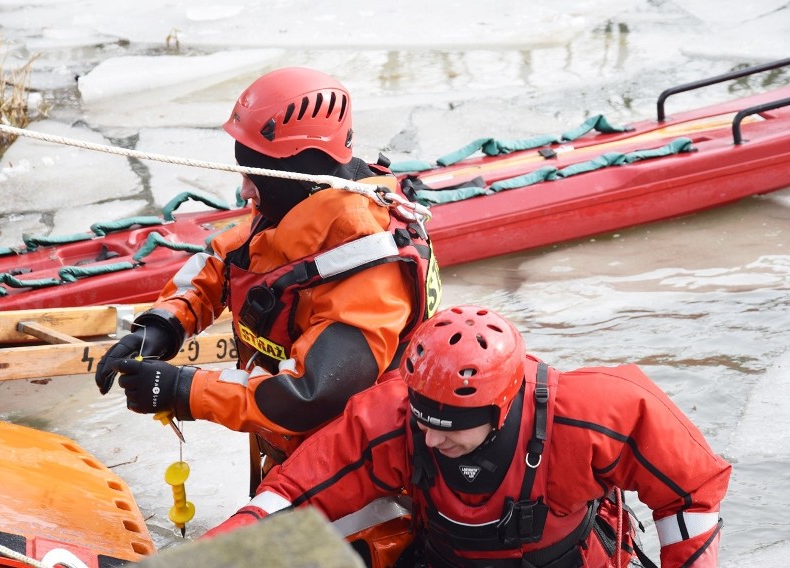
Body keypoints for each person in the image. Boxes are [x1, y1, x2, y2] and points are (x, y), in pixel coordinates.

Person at [94, 67, 442, 491]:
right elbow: (225, 260)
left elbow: (312, 394)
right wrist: (162, 326)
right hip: (289, 454)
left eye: (253, 177)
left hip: (356, 474)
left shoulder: (370, 268)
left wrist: (183, 390)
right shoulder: (302, 211)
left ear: (300, 170)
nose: (244, 191)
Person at [206, 305, 731, 568]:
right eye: (423, 424)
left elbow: (690, 493)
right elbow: (293, 494)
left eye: (450, 431)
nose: (431, 443)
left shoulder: (596, 412)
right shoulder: (390, 418)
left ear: (502, 408)